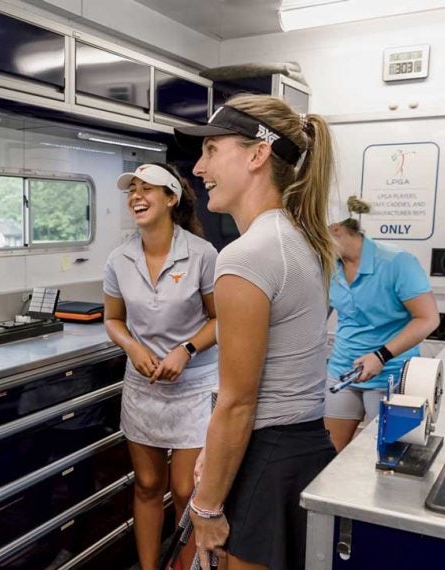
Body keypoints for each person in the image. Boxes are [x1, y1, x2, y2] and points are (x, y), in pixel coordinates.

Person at [174, 96, 338, 570]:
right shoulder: (299, 239)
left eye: (212, 150)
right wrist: (215, 454)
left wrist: (206, 507)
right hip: (301, 447)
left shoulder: (247, 256)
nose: (199, 167)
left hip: (267, 457)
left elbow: (238, 402)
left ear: (257, 154)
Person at [103, 163, 218, 570]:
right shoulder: (119, 259)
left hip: (195, 385)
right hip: (143, 386)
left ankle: (185, 566)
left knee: (187, 489)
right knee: (149, 484)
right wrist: (132, 348)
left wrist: (186, 349)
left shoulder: (203, 254)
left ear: (171, 199)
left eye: (147, 189)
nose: (136, 195)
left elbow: (220, 319)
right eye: (132, 189)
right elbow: (113, 320)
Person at [325, 199, 440, 452]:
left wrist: (381, 355)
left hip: (391, 373)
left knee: (385, 455)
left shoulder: (396, 262)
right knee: (331, 453)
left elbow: (428, 319)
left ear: (335, 229)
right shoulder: (330, 266)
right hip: (343, 370)